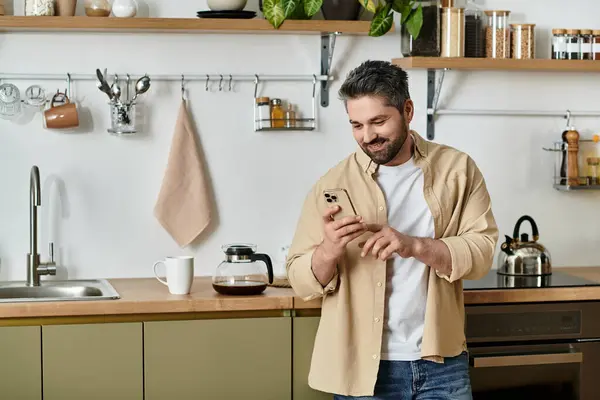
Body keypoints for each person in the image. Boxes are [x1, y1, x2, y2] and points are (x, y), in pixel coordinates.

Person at [286, 60, 499, 399]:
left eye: (378, 121)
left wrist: (414, 246)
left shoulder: (458, 170)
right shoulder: (333, 184)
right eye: (356, 124)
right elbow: (299, 278)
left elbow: (483, 252)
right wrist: (328, 250)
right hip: (363, 369)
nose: (367, 136)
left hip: (442, 364)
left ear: (408, 110)